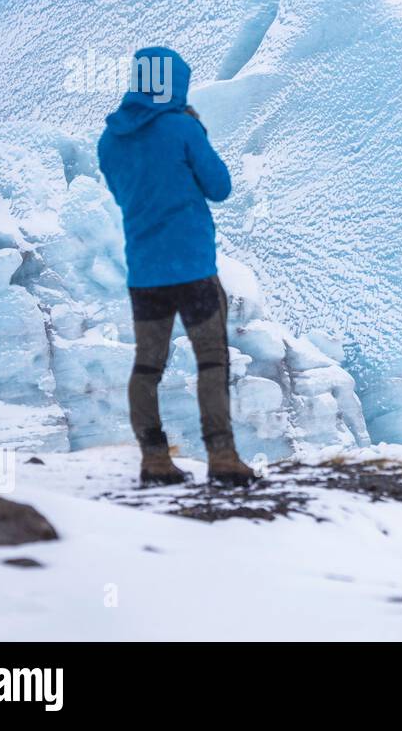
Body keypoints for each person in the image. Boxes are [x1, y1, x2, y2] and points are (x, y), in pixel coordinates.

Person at [97, 46, 255, 487]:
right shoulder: (182, 127)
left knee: (147, 367)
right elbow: (219, 187)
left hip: (145, 273)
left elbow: (126, 193)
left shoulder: (110, 139)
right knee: (211, 361)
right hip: (193, 268)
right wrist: (196, 130)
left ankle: (154, 460)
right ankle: (222, 458)